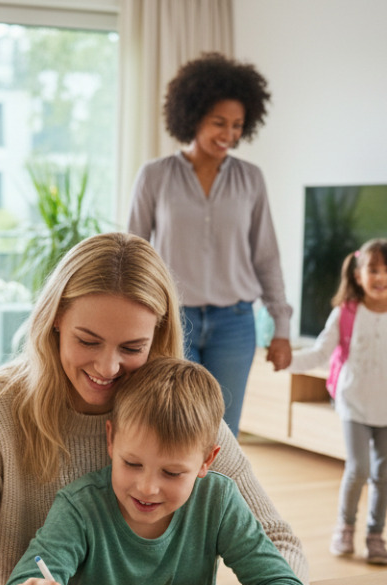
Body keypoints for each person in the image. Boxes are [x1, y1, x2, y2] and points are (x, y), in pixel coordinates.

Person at [0, 232, 309, 585]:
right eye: (87, 341)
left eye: (132, 347)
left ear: (158, 335)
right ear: (56, 318)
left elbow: (280, 550)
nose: (107, 366)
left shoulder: (181, 416)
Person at [4, 358, 308, 585]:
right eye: (132, 464)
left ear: (207, 460)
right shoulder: (79, 506)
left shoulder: (218, 500)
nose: (147, 488)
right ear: (111, 439)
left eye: (172, 473)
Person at [128, 52, 292, 435]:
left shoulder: (251, 179)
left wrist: (281, 327)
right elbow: (134, 254)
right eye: (219, 122)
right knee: (173, 428)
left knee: (223, 433)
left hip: (234, 323)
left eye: (237, 125)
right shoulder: (155, 176)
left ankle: (215, 498)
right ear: (193, 115)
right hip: (172, 320)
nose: (229, 134)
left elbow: (266, 256)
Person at [288, 240, 387, 565]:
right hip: (354, 402)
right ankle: (345, 528)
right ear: (358, 275)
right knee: (358, 468)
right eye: (372, 269)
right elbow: (320, 353)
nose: (380, 277)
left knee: (383, 472)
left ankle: (376, 535)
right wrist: (284, 361)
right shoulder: (346, 313)